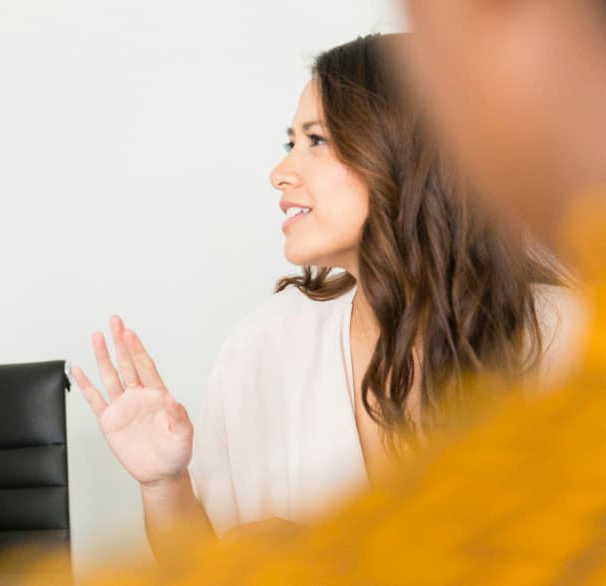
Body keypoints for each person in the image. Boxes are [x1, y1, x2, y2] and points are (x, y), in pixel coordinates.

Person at [71, 33, 577, 568]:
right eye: (290, 143)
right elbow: (199, 570)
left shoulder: (569, 338)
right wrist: (164, 485)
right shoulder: (262, 350)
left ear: (409, 152)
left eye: (317, 141)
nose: (281, 172)